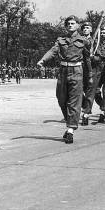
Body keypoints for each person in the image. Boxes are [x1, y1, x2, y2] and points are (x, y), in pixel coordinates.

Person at [37, 15, 92, 144]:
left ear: (78, 25)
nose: (70, 25)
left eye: (73, 23)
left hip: (77, 72)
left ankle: (70, 130)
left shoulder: (84, 41)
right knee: (61, 99)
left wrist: (89, 76)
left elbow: (87, 59)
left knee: (74, 101)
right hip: (63, 72)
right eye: (68, 24)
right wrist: (43, 60)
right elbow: (53, 51)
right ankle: (70, 122)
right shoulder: (61, 40)